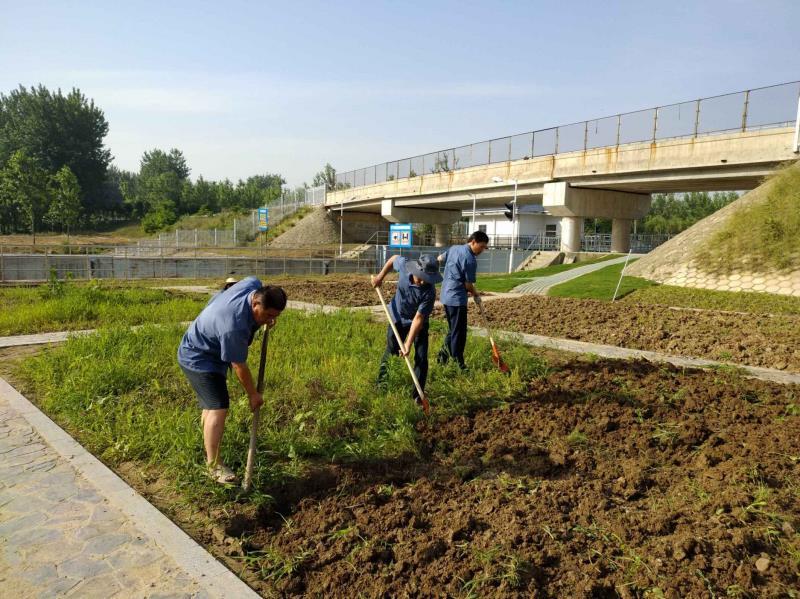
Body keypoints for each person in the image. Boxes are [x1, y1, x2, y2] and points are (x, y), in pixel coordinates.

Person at [177, 276, 287, 484]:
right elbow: (239, 366)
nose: (270, 320)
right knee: (219, 407)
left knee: (211, 405)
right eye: (268, 315)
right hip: (198, 357)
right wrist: (253, 395)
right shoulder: (233, 326)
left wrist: (263, 317)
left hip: (211, 348)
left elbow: (239, 282)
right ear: (255, 303)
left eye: (275, 315)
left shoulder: (253, 285)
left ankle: (208, 447)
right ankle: (214, 466)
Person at [373, 254, 442, 405]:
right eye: (422, 277)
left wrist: (408, 344)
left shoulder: (429, 292)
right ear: (417, 269)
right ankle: (381, 386)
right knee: (391, 351)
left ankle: (417, 397)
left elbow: (418, 318)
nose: (424, 281)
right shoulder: (404, 266)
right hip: (397, 317)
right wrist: (380, 277)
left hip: (418, 322)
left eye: (428, 278)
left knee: (421, 357)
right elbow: (393, 259)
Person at [437, 231, 490, 370]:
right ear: (473, 242)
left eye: (485, 247)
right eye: (481, 246)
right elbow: (467, 285)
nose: (482, 250)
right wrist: (476, 294)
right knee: (459, 333)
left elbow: (439, 258)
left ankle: (442, 357)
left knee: (453, 330)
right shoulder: (470, 259)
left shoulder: (454, 248)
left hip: (445, 296)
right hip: (456, 299)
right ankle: (458, 363)